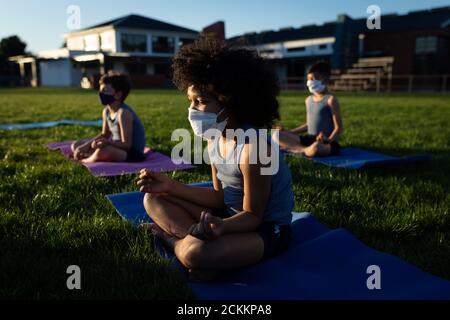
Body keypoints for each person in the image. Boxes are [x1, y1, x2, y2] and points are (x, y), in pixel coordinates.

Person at [137, 37, 295, 282]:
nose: (192, 110)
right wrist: (170, 186)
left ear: (230, 101)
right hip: (224, 217)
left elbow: (253, 216)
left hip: (265, 229)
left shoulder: (255, 149)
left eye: (201, 101)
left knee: (197, 253)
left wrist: (223, 227)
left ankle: (170, 239)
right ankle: (196, 246)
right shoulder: (214, 138)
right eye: (191, 101)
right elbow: (219, 196)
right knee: (153, 198)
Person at [71, 72, 146, 163]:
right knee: (77, 145)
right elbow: (105, 134)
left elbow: (127, 145)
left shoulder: (123, 113)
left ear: (118, 95)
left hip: (132, 153)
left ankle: (85, 161)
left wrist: (107, 143)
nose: (100, 93)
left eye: (105, 90)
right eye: (100, 90)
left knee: (104, 151)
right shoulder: (106, 111)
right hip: (116, 146)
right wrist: (87, 145)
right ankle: (88, 154)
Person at [274, 61, 343, 157]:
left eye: (313, 79)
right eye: (308, 79)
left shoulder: (331, 99)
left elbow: (338, 128)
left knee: (318, 147)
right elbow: (308, 125)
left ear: (325, 80)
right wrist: (288, 132)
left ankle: (298, 149)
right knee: (276, 135)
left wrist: (329, 140)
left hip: (325, 141)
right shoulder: (308, 100)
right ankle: (304, 150)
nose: (310, 82)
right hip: (309, 139)